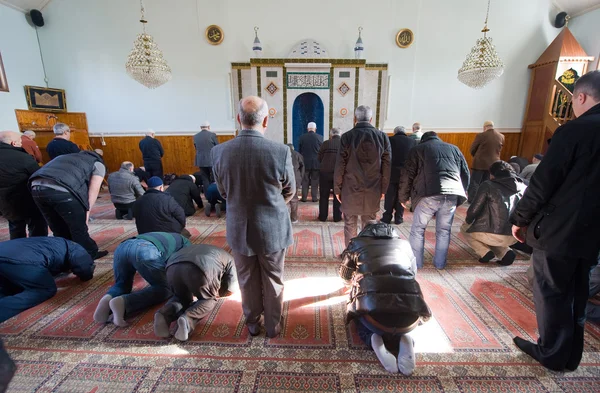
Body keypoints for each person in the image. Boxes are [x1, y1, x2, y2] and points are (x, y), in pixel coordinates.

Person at [509, 70, 600, 372]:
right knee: (577, 292)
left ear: (581, 97)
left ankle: (553, 353)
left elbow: (543, 183)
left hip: (560, 231)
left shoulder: (575, 130)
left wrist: (519, 219)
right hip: (592, 233)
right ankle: (570, 354)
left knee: (552, 293)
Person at [212, 96, 295, 338]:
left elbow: (223, 192)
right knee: (273, 278)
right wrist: (273, 204)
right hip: (273, 227)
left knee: (246, 277)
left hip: (238, 226)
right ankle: (273, 325)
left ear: (239, 119)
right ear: (266, 120)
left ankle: (251, 322)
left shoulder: (219, 152)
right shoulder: (280, 151)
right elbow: (290, 190)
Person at [339, 222, 431, 375]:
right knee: (404, 315)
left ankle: (373, 339)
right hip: (410, 314)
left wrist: (351, 284)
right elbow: (413, 273)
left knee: (358, 312)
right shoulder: (405, 245)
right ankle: (406, 337)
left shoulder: (357, 243)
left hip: (376, 318)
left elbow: (345, 275)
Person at [399, 131, 470, 269]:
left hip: (427, 194)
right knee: (444, 230)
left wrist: (403, 197)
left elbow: (407, 175)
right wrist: (459, 193)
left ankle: (417, 264)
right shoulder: (454, 149)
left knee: (418, 229)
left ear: (423, 140)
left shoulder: (418, 149)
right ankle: (439, 264)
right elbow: (465, 174)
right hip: (451, 195)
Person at [93, 232, 190, 327]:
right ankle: (124, 302)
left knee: (122, 284)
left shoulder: (168, 237)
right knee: (166, 288)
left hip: (122, 247)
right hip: (144, 249)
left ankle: (107, 299)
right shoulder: (186, 245)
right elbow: (183, 266)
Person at [29, 150, 108, 260]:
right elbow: (93, 191)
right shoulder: (98, 163)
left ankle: (63, 258)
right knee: (78, 228)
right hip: (62, 190)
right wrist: (86, 212)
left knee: (58, 228)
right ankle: (88, 255)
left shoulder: (64, 156)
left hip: (35, 188)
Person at [0, 237, 95, 323]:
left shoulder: (56, 242)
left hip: (6, 253)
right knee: (45, 289)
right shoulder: (76, 248)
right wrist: (88, 272)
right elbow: (84, 270)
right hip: (20, 260)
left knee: (12, 286)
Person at [154, 244, 238, 341]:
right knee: (207, 300)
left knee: (181, 297)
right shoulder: (231, 259)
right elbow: (233, 287)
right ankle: (187, 319)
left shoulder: (212, 250)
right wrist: (218, 291)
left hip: (171, 267)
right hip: (201, 267)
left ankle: (164, 314)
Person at [334, 105, 391, 246]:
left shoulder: (347, 137)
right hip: (373, 188)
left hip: (350, 188)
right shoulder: (382, 137)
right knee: (370, 225)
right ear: (371, 119)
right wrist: (383, 189)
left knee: (349, 224)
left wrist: (337, 189)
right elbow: (387, 166)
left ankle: (350, 256)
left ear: (355, 119)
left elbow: (340, 165)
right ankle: (367, 256)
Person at [461, 161, 526, 266]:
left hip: (491, 232)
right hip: (514, 235)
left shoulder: (488, 185)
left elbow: (473, 210)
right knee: (492, 236)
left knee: (465, 228)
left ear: (492, 174)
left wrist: (468, 221)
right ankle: (505, 252)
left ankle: (484, 252)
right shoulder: (523, 186)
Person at [0, 131, 48, 239]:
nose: (21, 144)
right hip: (26, 199)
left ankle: (19, 250)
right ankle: (37, 248)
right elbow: (38, 177)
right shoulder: (23, 158)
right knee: (37, 225)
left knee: (15, 226)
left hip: (4, 202)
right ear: (14, 143)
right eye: (20, 141)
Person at [382, 126, 417, 225]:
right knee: (402, 195)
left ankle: (387, 217)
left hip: (391, 172)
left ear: (394, 132)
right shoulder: (412, 142)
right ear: (404, 132)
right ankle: (399, 218)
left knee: (390, 195)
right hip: (406, 174)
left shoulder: (389, 140)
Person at [467, 121, 504, 202]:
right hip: (493, 164)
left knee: (475, 182)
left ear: (485, 127)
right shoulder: (501, 136)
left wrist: (477, 156)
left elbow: (473, 149)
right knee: (486, 183)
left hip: (480, 163)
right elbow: (499, 150)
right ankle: (482, 200)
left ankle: (472, 200)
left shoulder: (481, 135)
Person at [317, 128, 342, 222]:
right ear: (340, 134)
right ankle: (337, 217)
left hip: (325, 173)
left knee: (323, 196)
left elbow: (319, 157)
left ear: (331, 135)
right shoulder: (344, 143)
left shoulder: (325, 143)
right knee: (338, 196)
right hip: (338, 174)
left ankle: (323, 217)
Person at [298, 122, 323, 202]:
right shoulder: (320, 137)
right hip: (316, 163)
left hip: (305, 163)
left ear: (307, 129)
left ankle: (304, 198)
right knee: (315, 181)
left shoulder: (302, 138)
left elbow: (300, 151)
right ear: (315, 129)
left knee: (305, 180)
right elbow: (322, 152)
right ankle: (314, 198)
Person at [193, 121, 219, 194]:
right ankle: (214, 193)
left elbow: (196, 147)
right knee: (214, 177)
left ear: (200, 128)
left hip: (200, 160)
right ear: (209, 127)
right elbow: (217, 146)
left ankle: (207, 193)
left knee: (205, 178)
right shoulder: (212, 135)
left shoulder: (195, 136)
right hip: (211, 159)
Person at [287, 144, 304, 224]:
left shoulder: (282, 154)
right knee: (294, 199)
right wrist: (300, 177)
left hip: (284, 179)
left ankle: (285, 219)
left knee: (285, 199)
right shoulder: (298, 155)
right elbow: (302, 167)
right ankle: (294, 218)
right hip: (295, 179)